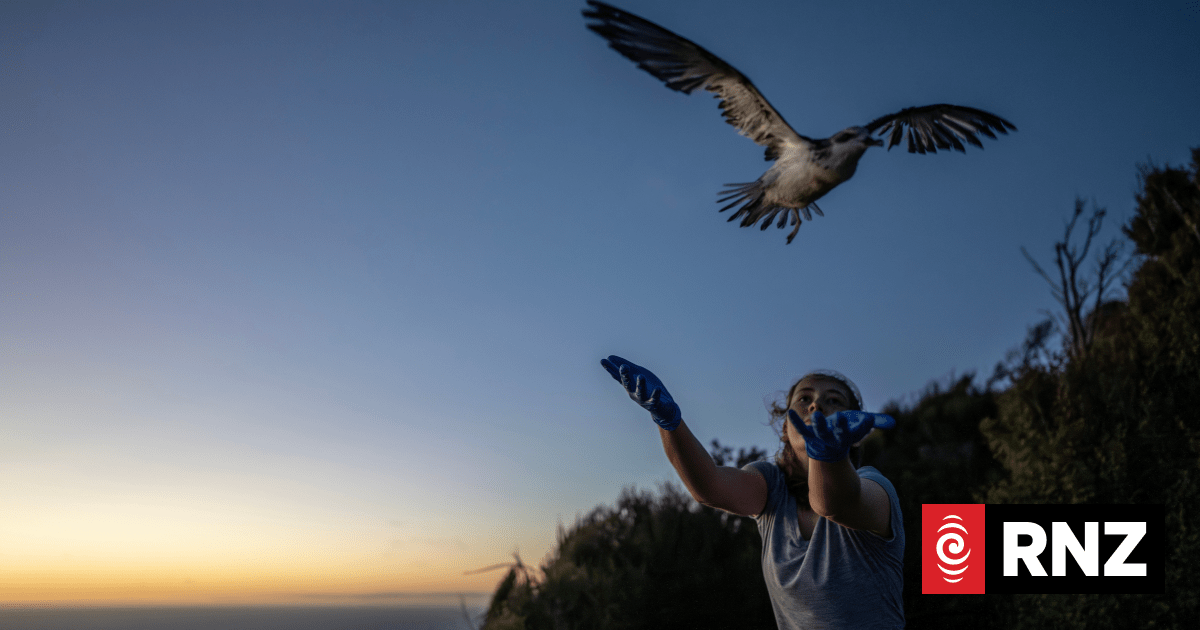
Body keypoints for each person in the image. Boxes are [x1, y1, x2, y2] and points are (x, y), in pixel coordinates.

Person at [601, 355, 905, 630]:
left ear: (856, 430)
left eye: (834, 400)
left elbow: (833, 504)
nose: (816, 406)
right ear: (786, 426)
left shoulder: (875, 487)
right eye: (804, 399)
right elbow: (710, 487)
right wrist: (668, 421)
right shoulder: (771, 487)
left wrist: (827, 456)